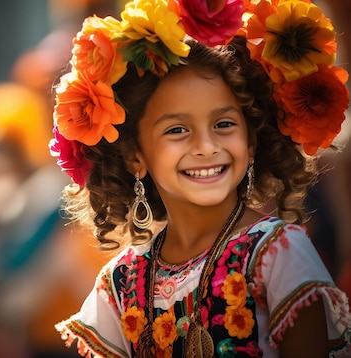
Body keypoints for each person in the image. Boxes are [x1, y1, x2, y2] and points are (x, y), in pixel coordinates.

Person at [49, 0, 351, 357]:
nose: (206, 146)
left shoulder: (277, 253)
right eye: (177, 129)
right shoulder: (120, 281)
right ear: (136, 156)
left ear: (251, 140)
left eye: (224, 124)